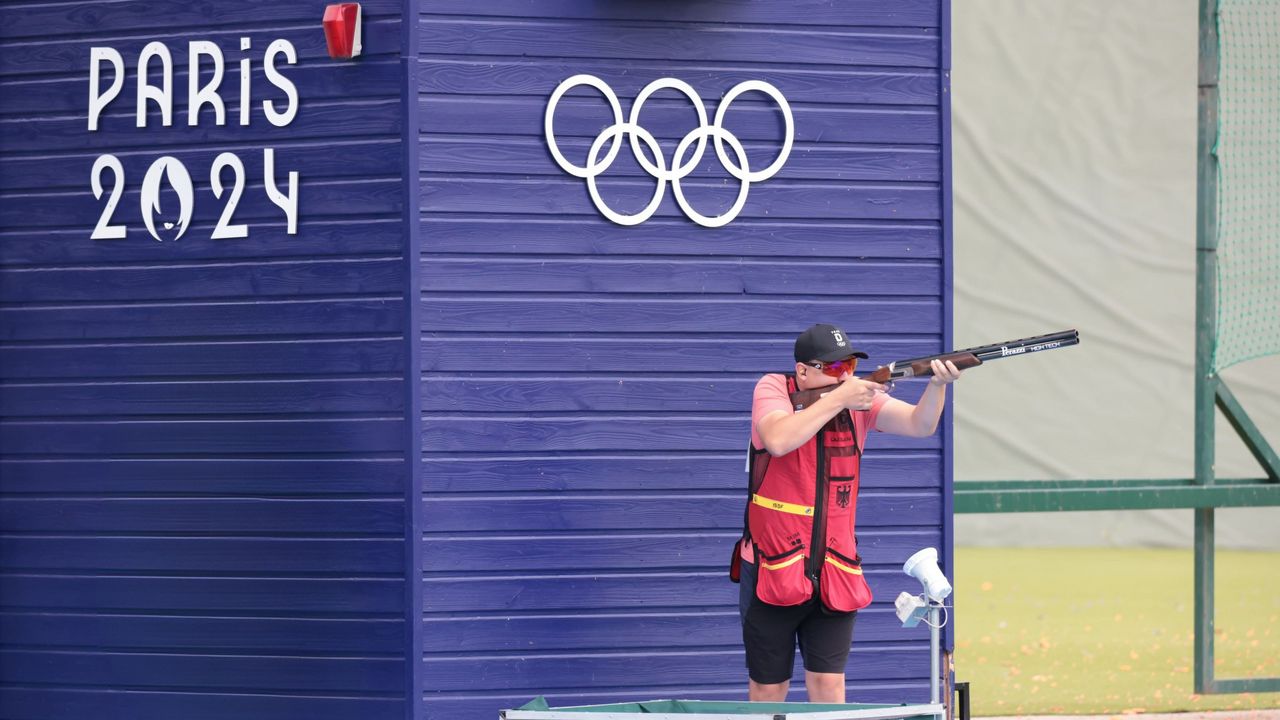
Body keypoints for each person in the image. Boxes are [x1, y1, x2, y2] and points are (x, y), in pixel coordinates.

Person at [735, 323, 962, 703]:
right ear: (804, 371)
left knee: (829, 685)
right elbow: (777, 439)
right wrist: (840, 398)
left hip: (835, 567)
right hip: (771, 565)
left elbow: (920, 425)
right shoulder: (774, 388)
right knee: (768, 687)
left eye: (850, 366)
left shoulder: (858, 401)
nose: (846, 376)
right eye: (835, 368)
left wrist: (937, 385)